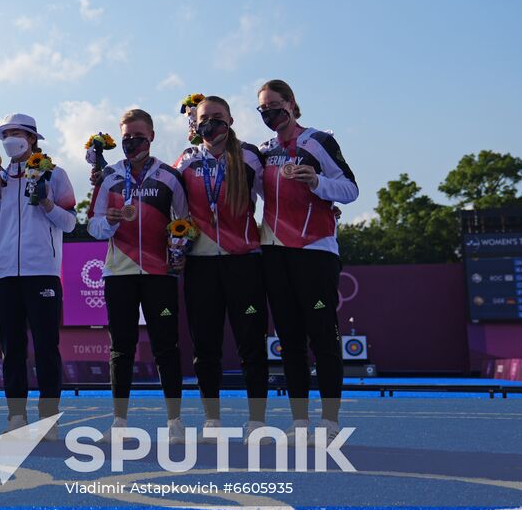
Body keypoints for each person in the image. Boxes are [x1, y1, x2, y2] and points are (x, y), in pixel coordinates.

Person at [257, 79, 358, 440]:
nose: (270, 113)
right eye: (263, 109)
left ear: (291, 103)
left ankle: (329, 420)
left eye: (275, 105)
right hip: (275, 252)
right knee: (289, 339)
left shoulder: (318, 141)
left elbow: (351, 189)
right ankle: (299, 420)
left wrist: (317, 182)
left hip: (315, 250)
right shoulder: (264, 151)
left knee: (322, 336)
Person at [88, 109, 189, 442]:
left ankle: (174, 422)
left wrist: (179, 245)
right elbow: (93, 226)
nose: (132, 142)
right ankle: (119, 422)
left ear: (152, 137)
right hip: (119, 272)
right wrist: (112, 221)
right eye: (127, 137)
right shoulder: (110, 177)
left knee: (165, 347)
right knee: (121, 348)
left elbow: (184, 222)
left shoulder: (169, 177)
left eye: (139, 137)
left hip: (159, 272)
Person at [174, 96, 269, 434]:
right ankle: (212, 419)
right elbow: (170, 205)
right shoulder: (186, 160)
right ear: (194, 123)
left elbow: (276, 198)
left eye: (217, 116)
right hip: (201, 265)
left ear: (230, 120)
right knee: (206, 347)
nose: (210, 123)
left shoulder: (249, 156)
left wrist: (323, 208)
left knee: (252, 345)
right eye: (204, 118)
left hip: (243, 260)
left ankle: (257, 421)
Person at [0, 113, 77, 436]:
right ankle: (16, 416)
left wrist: (47, 202)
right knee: (12, 347)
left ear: (32, 138)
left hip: (42, 272)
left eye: (16, 133)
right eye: (5, 134)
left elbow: (70, 223)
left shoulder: (55, 173)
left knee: (47, 347)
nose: (10, 139)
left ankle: (48, 416)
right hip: (5, 273)